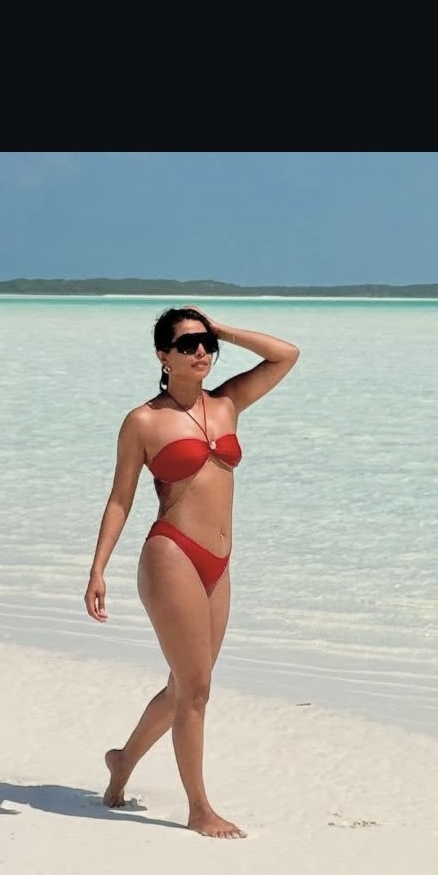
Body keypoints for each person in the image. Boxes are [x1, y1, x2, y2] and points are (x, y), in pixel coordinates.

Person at [85, 307, 299, 838]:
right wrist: (98, 570)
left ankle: (122, 761)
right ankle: (199, 808)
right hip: (172, 554)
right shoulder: (143, 421)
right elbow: (120, 499)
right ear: (163, 355)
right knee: (196, 689)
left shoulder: (227, 403)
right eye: (187, 344)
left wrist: (222, 328)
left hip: (218, 564)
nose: (200, 351)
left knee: (185, 686)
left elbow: (286, 355)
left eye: (207, 343)